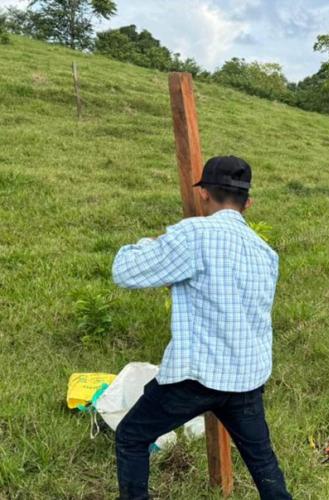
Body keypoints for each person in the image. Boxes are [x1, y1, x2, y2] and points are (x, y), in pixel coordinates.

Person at [111, 156, 291, 499]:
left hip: (197, 377)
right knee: (263, 462)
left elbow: (125, 271)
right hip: (246, 377)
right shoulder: (266, 252)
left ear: (204, 194)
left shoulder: (195, 234)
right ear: (247, 203)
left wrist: (153, 245)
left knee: (132, 437)